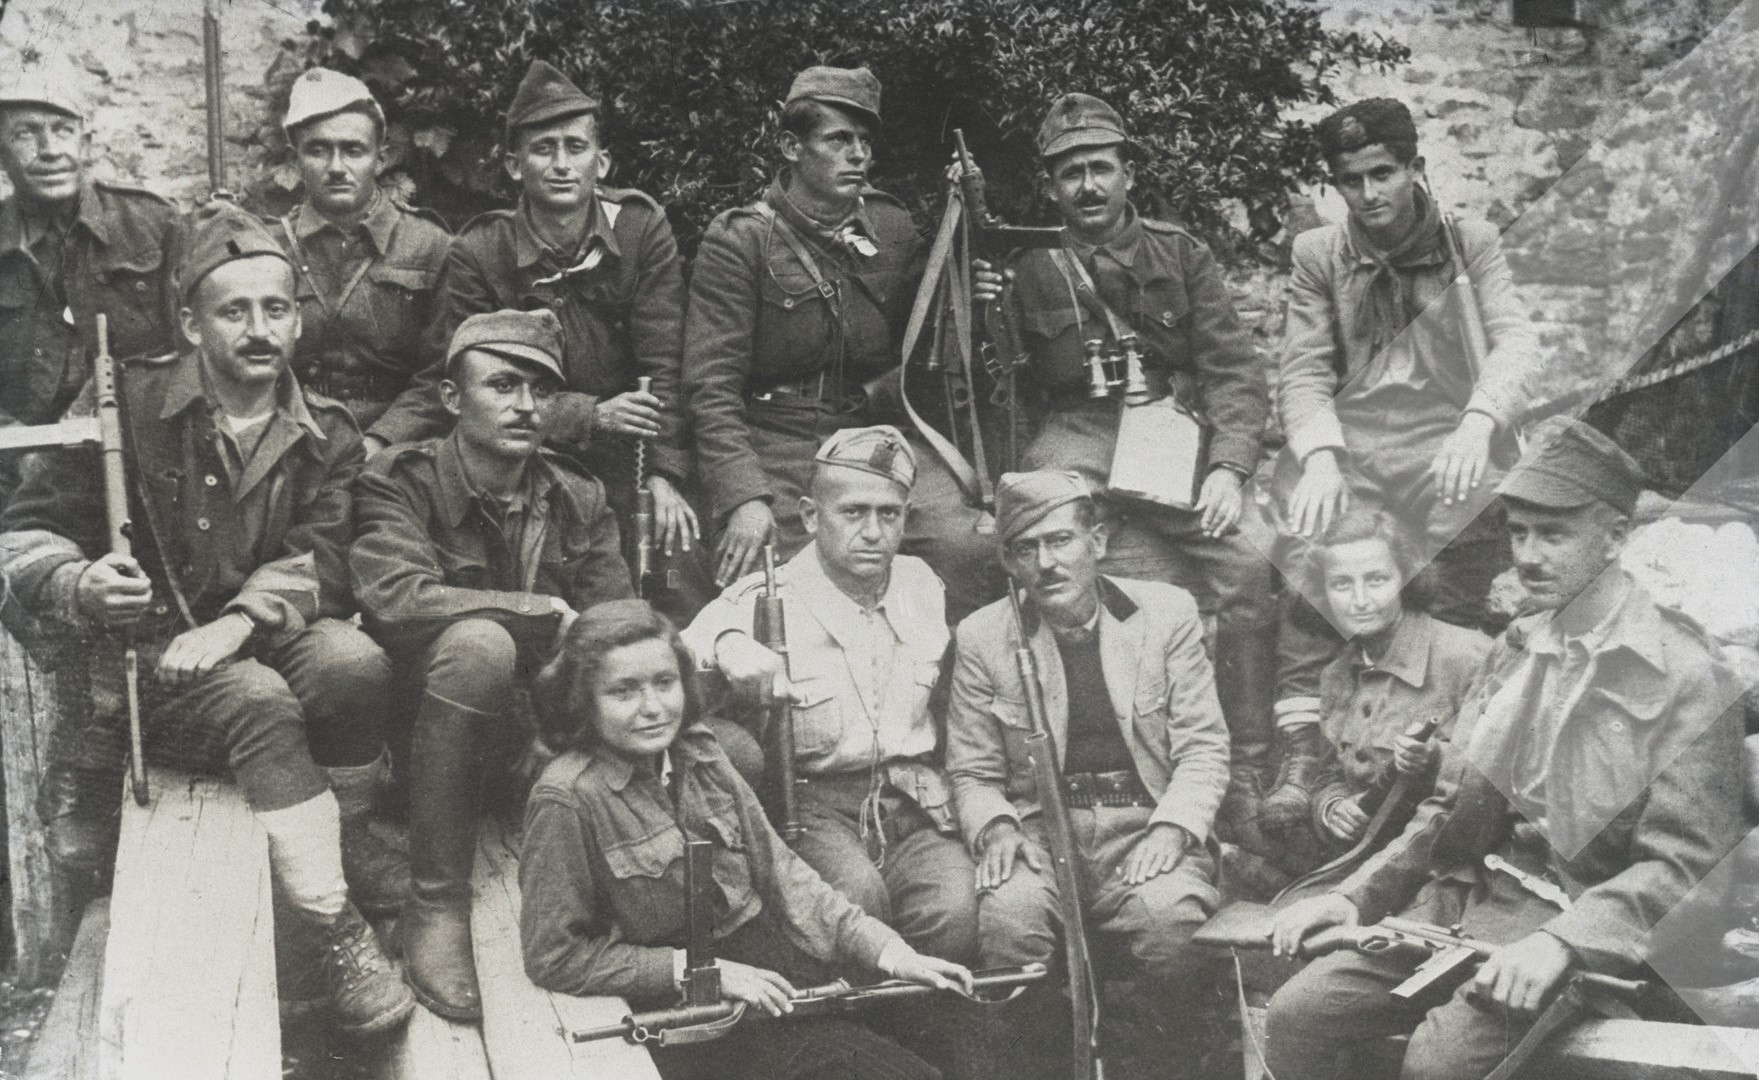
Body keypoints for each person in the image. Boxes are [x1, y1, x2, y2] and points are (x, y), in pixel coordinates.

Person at [0, 200, 413, 1034]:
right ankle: (335, 926)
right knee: (258, 700)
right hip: (149, 665)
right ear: (191, 324)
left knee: (352, 664)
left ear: (298, 320)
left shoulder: (328, 431)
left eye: (276, 308)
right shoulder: (128, 402)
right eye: (234, 311)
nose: (259, 330)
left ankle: (343, 836)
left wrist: (240, 623)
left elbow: (325, 558)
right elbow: (26, 529)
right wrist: (83, 582)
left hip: (252, 638)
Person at [1261, 419, 1752, 1080]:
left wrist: (1564, 941)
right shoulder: (1515, 648)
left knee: (1436, 1065)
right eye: (1519, 533)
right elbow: (1444, 810)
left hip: (1581, 925)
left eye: (1553, 534)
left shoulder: (1686, 673)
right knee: (1297, 1017)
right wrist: (1355, 897)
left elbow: (1686, 866)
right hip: (1465, 901)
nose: (1527, 556)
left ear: (1614, 537)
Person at [970, 92, 1277, 831]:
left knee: (1253, 562)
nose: (1088, 186)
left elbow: (1233, 370)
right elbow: (999, 389)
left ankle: (1248, 758)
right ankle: (1049, 759)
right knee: (1020, 548)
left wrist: (1228, 469)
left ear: (1128, 173)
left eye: (1100, 167)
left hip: (1168, 431)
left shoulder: (1180, 254)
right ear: (1049, 186)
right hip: (1075, 436)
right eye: (1070, 172)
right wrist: (980, 305)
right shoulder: (1025, 266)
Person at [520, 599, 972, 1080]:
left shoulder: (699, 752)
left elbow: (784, 875)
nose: (652, 708)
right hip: (689, 1019)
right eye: (623, 691)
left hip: (773, 973)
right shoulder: (567, 798)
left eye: (665, 683)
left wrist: (893, 954)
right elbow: (555, 956)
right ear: (583, 700)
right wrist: (694, 971)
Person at [1264, 96, 1540, 825]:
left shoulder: (1468, 241)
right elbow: (1302, 368)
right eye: (1350, 180)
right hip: (1354, 446)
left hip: (1446, 441)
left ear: (1414, 167)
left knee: (1455, 551)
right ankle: (1304, 749)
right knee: (1310, 539)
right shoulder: (1319, 254)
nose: (1368, 194)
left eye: (1382, 174)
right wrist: (1321, 456)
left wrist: (1478, 422)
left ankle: (1436, 737)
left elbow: (1516, 341)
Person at [351, 308, 632, 1019]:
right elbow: (396, 598)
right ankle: (435, 903)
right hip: (422, 747)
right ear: (451, 398)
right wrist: (536, 610)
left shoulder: (576, 494)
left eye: (542, 389)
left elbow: (617, 627)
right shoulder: (399, 480)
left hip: (532, 741)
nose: (526, 406)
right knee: (481, 644)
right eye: (503, 385)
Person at [370, 60, 705, 619]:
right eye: (543, 149)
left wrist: (666, 475)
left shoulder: (640, 229)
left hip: (631, 458)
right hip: (524, 453)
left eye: (575, 148)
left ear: (601, 162)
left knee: (678, 575)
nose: (561, 165)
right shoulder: (481, 250)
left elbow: (665, 360)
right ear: (513, 165)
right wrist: (588, 415)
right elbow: (461, 380)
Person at [684, 65, 1000, 622]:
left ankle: (948, 672)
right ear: (791, 147)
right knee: (781, 587)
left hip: (873, 435)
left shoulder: (890, 226)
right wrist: (744, 495)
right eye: (838, 140)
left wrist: (967, 288)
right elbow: (711, 386)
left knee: (971, 547)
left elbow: (925, 333)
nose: (858, 155)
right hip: (780, 442)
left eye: (865, 142)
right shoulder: (740, 241)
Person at [945, 469, 1231, 1047]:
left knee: (1170, 924)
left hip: (1145, 823)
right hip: (1039, 832)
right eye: (1026, 549)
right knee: (1011, 924)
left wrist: (1173, 828)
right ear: (1008, 562)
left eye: (1060, 540)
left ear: (1096, 542)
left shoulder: (1166, 613)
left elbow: (1203, 747)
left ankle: (1155, 1056)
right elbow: (973, 771)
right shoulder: (982, 636)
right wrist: (998, 828)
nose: (1046, 563)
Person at [680, 425, 979, 966]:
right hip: (813, 806)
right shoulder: (767, 595)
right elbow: (680, 649)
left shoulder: (920, 585)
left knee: (956, 914)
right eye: (853, 512)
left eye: (889, 514)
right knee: (856, 905)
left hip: (912, 800)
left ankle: (925, 1012)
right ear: (811, 516)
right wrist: (728, 644)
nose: (873, 532)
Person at [1239, 508, 1490, 896]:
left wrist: (1434, 760)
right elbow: (1329, 774)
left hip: (1447, 873)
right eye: (1341, 584)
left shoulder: (1468, 657)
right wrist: (1333, 807)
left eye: (1376, 580)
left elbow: (1486, 792)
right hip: (1359, 867)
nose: (1359, 600)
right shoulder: (1337, 674)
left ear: (1406, 579)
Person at [0, 68, 180, 504]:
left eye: (63, 131)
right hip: (13, 471)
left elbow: (192, 348)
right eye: (26, 134)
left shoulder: (152, 225)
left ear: (86, 143)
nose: (50, 151)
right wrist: (20, 452)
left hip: (142, 459)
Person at [271, 67, 450, 431]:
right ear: (296, 160)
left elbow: (442, 374)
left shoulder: (430, 246)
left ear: (380, 159)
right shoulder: (269, 248)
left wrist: (382, 441)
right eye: (318, 150)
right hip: (293, 432)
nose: (337, 167)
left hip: (400, 440)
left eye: (353, 150)